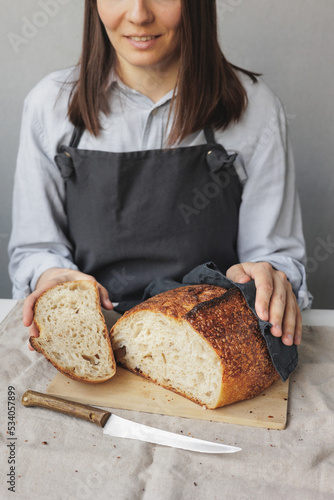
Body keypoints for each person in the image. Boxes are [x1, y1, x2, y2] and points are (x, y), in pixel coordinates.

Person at [8, 0, 312, 352]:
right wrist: (50, 275)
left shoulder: (256, 108)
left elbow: (275, 257)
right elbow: (35, 249)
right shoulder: (48, 106)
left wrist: (269, 276)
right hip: (95, 337)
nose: (139, 14)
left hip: (211, 341)